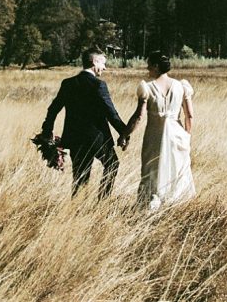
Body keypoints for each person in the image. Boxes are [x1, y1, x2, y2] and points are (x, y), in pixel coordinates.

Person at [40, 48, 129, 199]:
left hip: (74, 138)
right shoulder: (98, 85)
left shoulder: (68, 83)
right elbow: (111, 113)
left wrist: (47, 130)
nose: (105, 67)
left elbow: (53, 109)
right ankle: (102, 201)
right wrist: (125, 132)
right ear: (94, 62)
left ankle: (77, 208)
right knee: (112, 165)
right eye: (103, 63)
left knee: (80, 176)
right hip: (97, 139)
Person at [123, 51, 196, 210]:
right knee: (177, 170)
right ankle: (176, 207)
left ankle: (150, 207)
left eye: (149, 64)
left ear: (156, 66)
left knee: (152, 169)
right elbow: (189, 115)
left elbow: (139, 116)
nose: (147, 68)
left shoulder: (147, 88)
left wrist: (125, 134)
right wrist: (186, 135)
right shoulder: (181, 86)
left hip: (155, 136)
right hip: (177, 135)